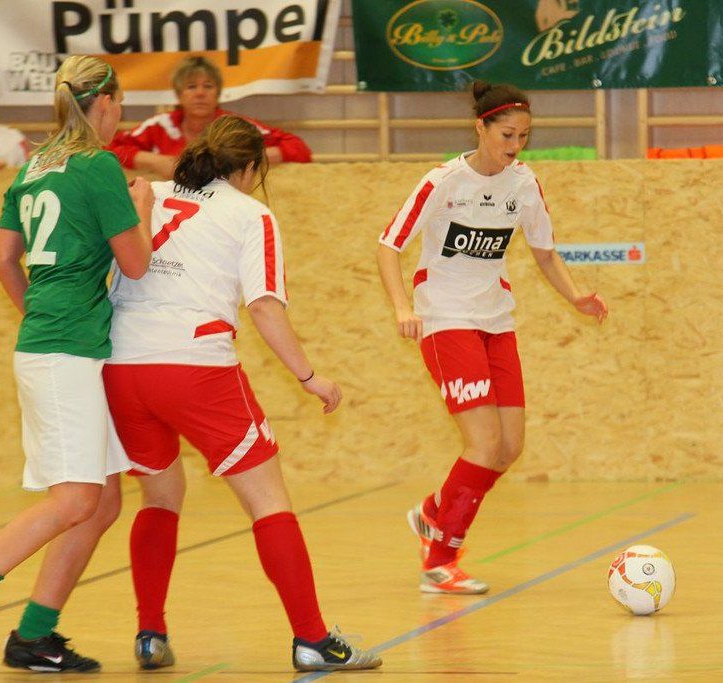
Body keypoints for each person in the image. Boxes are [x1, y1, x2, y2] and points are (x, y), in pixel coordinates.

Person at [102, 114, 381, 673]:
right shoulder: (251, 214)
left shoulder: (149, 193)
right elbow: (264, 306)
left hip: (123, 366)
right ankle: (312, 638)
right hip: (194, 366)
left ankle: (150, 633)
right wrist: (309, 376)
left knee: (160, 497)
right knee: (268, 502)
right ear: (251, 167)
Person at [0, 55, 154, 675]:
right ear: (104, 102)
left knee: (102, 501)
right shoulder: (99, 166)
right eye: (120, 104)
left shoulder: (34, 167)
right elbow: (135, 264)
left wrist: (39, 315)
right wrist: (144, 207)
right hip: (65, 350)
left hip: (53, 342)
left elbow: (2, 259)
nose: (119, 114)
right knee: (77, 498)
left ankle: (33, 636)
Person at [376, 80, 608, 595]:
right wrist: (401, 306)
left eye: (524, 136)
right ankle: (440, 559)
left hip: (496, 320)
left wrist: (575, 296)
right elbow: (388, 245)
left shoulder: (523, 184)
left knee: (509, 447)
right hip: (446, 319)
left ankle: (434, 511)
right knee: (483, 443)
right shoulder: (442, 181)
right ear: (480, 128)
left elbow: (545, 252)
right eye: (507, 135)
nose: (515, 145)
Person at [107, 55, 311, 178]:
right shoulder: (160, 126)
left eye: (208, 86)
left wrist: (244, 159)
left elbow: (299, 149)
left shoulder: (235, 127)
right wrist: (155, 162)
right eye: (191, 87)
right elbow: (110, 151)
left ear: (218, 93)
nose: (200, 93)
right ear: (179, 95)